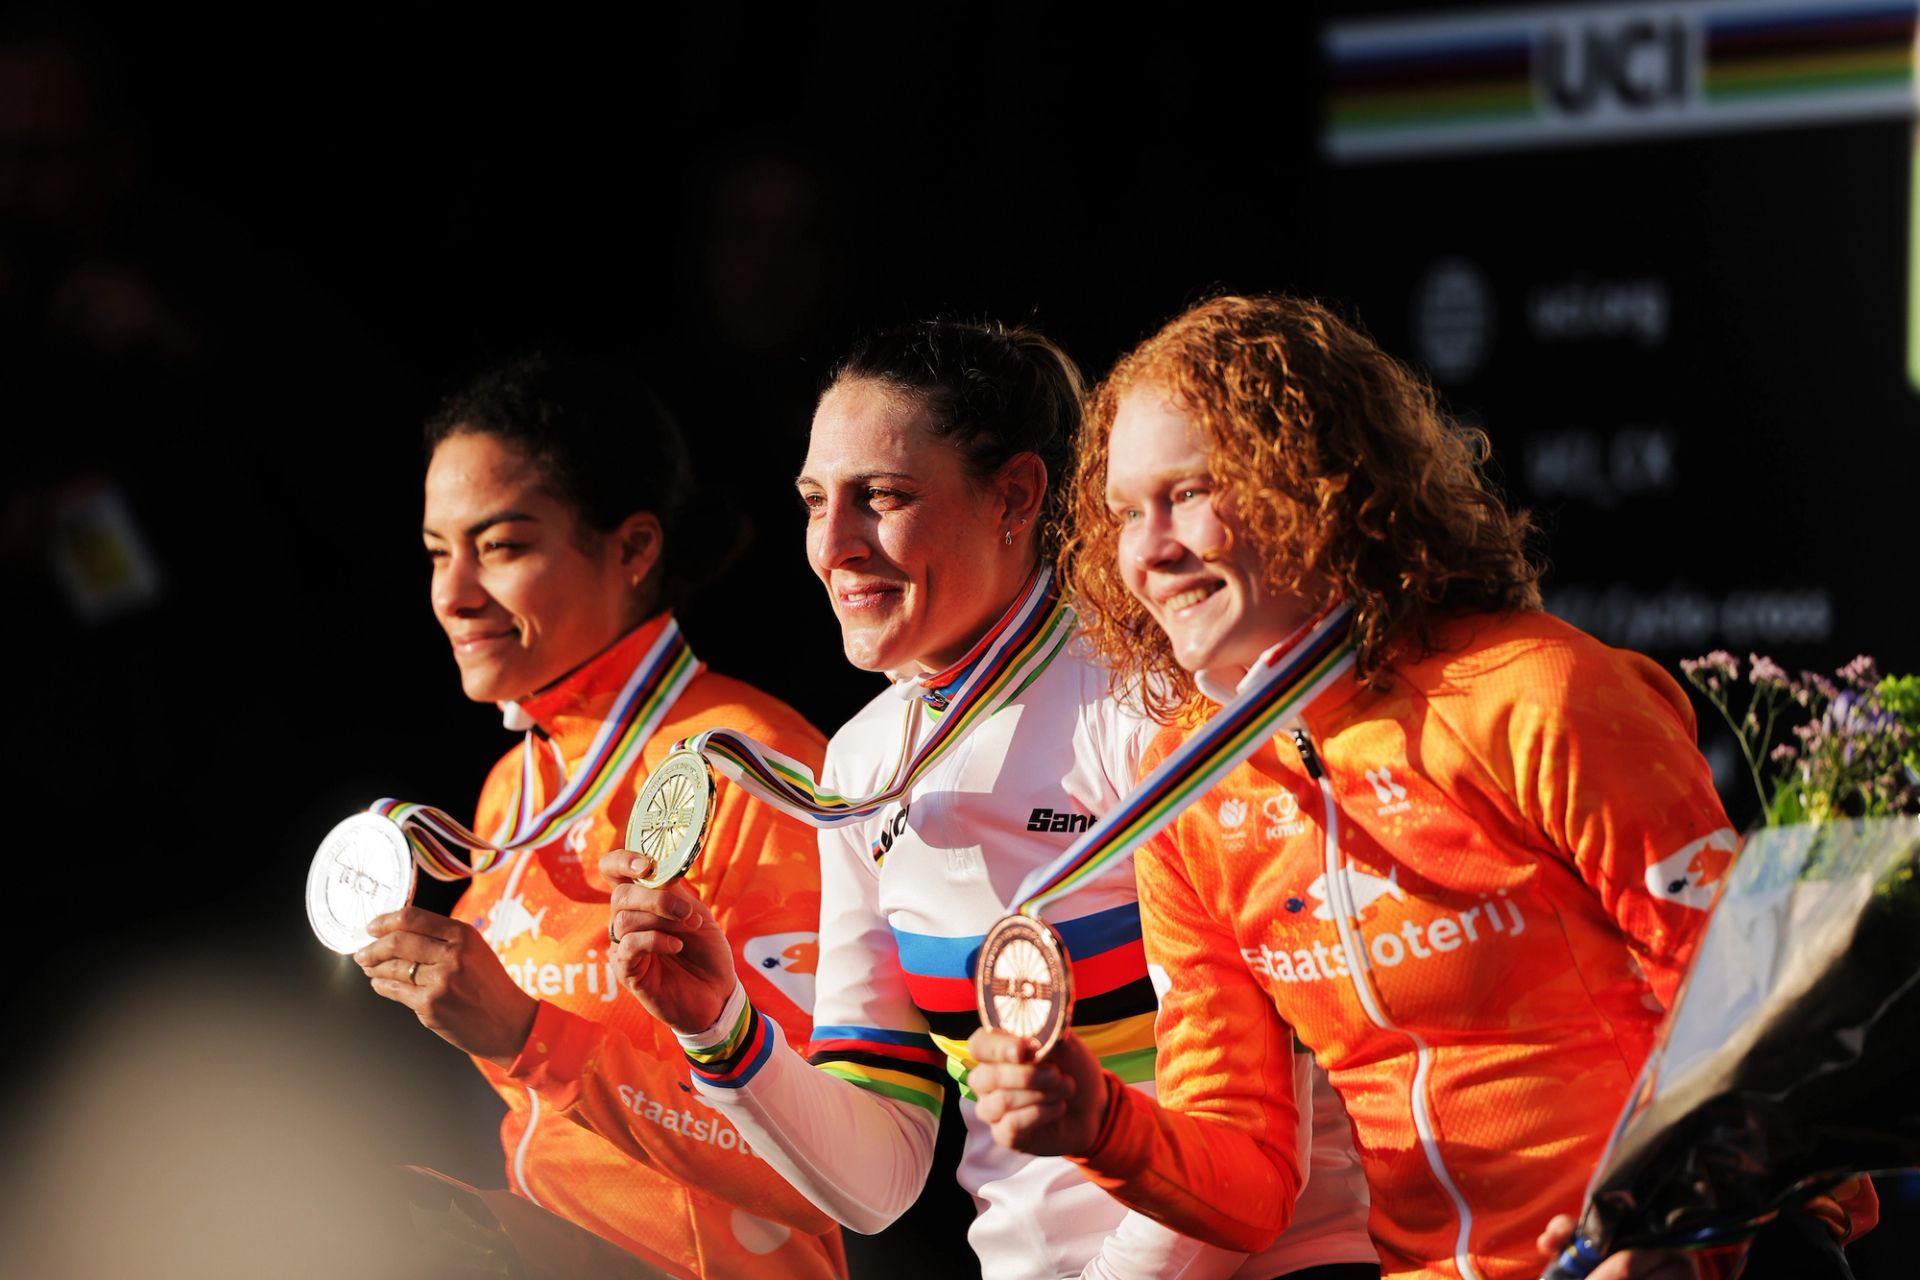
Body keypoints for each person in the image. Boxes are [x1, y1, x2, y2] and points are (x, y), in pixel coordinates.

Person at [964, 295, 1879, 1280]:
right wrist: (1098, 1116)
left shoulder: (1535, 693)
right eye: (1122, 515)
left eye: (1186, 492)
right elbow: (1250, 1176)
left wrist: (1679, 1226)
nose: (1147, 551)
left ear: (1314, 481)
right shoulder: (1191, 785)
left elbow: (1753, 1012)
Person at [602, 320, 1381, 1278]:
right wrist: (720, 1027)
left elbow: (1240, 1149)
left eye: (882, 497)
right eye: (815, 502)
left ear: (1014, 495)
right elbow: (879, 1174)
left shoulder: (1150, 705)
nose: (835, 546)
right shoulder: (861, 762)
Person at [350, 353, 847, 1279]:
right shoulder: (516, 785)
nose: (454, 594)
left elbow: (820, 1168)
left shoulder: (755, 768)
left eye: (500, 546)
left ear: (633, 548)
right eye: (436, 552)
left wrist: (532, 1039)